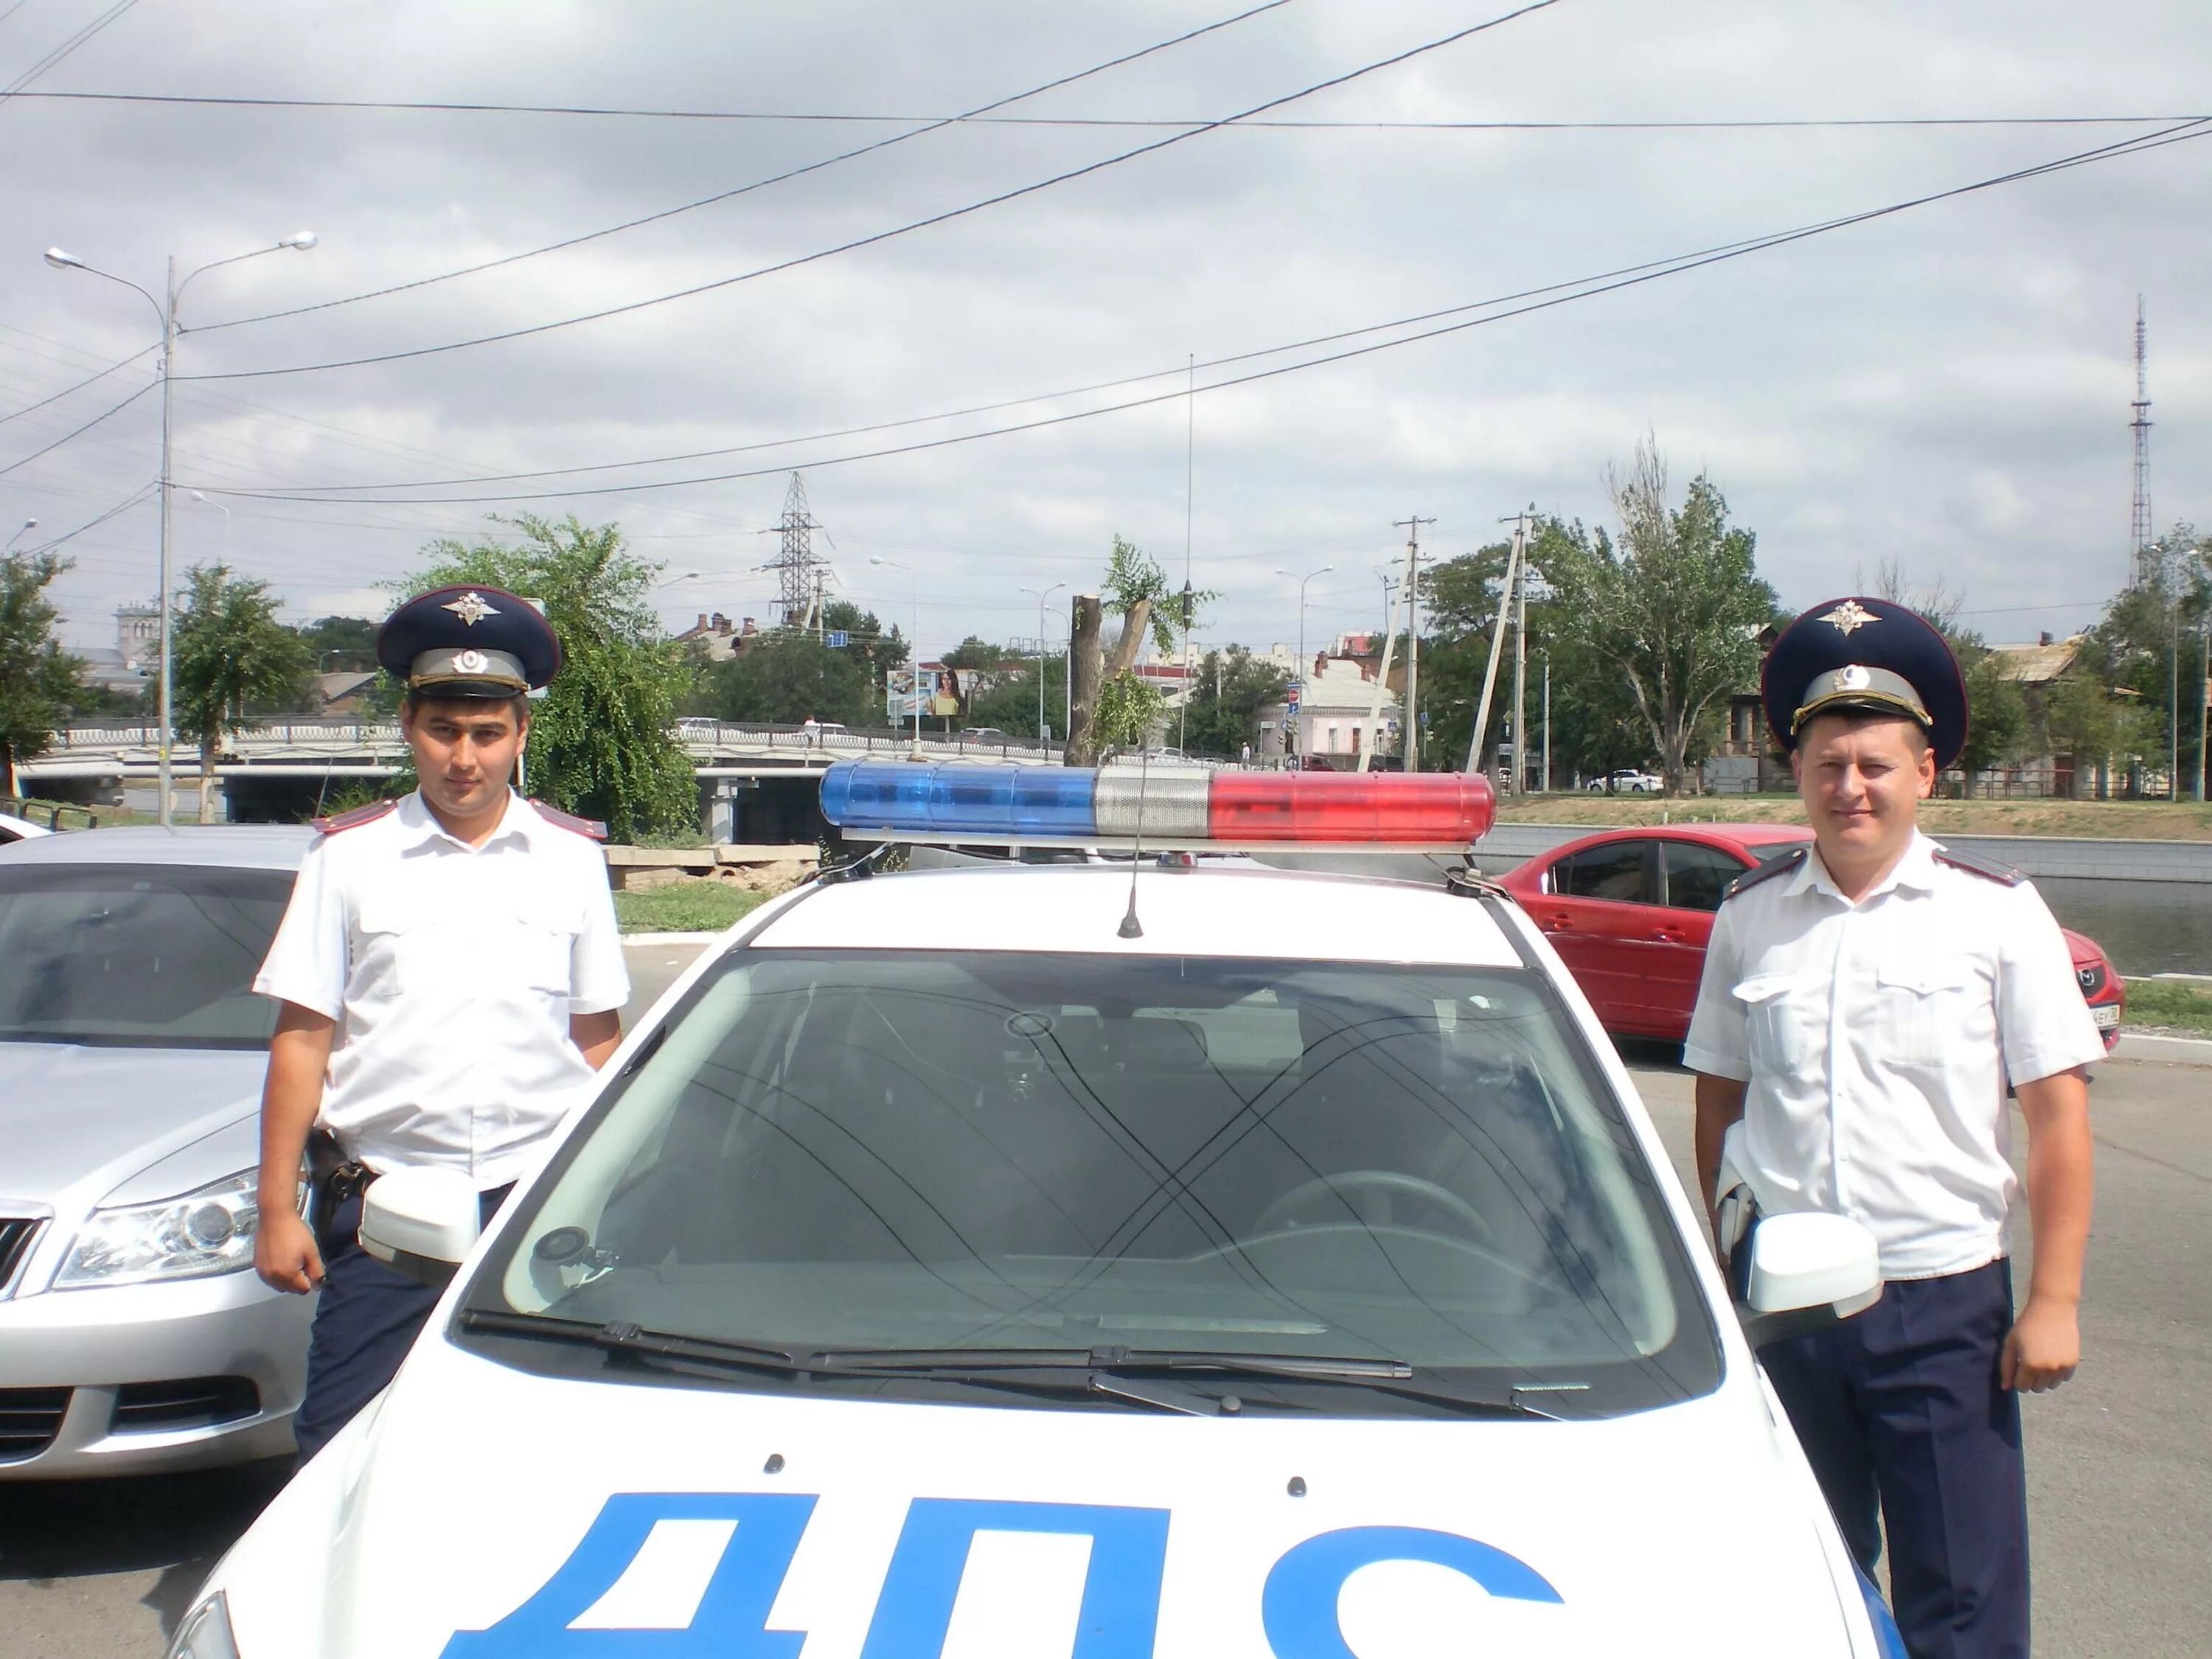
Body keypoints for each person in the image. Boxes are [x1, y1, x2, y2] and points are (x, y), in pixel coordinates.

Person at [1684, 597, 2101, 1659]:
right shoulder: (1750, 916)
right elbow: (1720, 1102)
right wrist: (1732, 1264)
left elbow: (2056, 1118)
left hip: (1942, 1301)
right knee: (1796, 1581)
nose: (1850, 786)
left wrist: (2051, 1300)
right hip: (1786, 1306)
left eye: (1875, 763)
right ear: (1801, 773)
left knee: (1961, 1594)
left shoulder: (1997, 915)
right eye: (1829, 763)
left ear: (1926, 773)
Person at [251, 585, 630, 1463]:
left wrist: (616, 1193)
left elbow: (597, 1039)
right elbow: (303, 1037)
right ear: (408, 727)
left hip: (536, 1203)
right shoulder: (348, 859)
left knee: (538, 1444)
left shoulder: (571, 862)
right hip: (387, 1204)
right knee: (343, 1446)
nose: (466, 759)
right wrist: (275, 1205)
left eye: (487, 734)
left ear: (521, 734)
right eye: (444, 731)